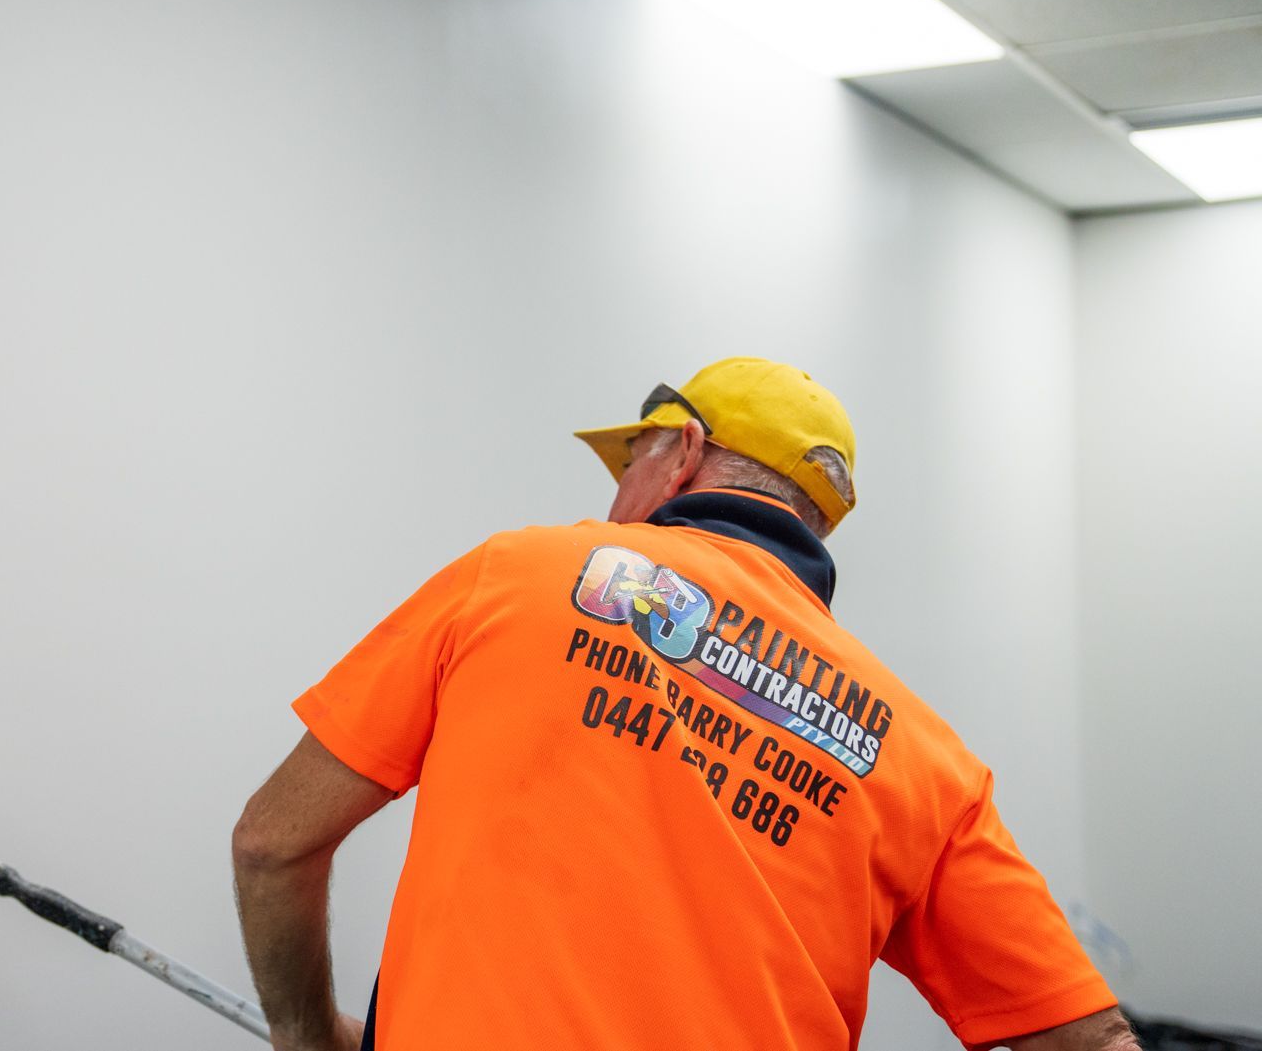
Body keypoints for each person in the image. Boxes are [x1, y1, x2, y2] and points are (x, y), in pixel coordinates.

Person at [232, 357, 1137, 1051]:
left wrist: (309, 1037)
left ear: (684, 456)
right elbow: (1088, 1037)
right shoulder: (922, 756)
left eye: (632, 457)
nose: (616, 490)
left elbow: (273, 842)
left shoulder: (519, 576)